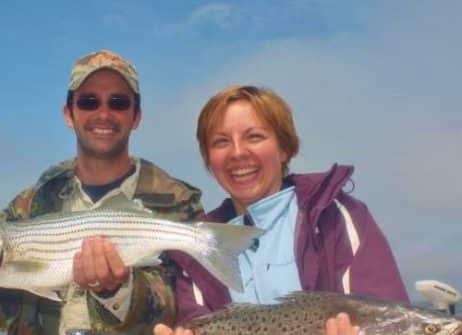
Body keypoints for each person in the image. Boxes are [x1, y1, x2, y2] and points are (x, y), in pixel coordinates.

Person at [0, 50, 204, 335]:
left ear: (136, 116)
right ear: (68, 113)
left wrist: (120, 291)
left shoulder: (178, 203)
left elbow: (196, 306)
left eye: (118, 102)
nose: (103, 113)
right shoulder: (29, 205)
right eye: (88, 102)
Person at [154, 85, 409, 335]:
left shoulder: (336, 215)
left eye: (254, 136)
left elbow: (384, 308)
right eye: (221, 142)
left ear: (284, 148)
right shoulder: (196, 247)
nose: (238, 152)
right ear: (209, 159)